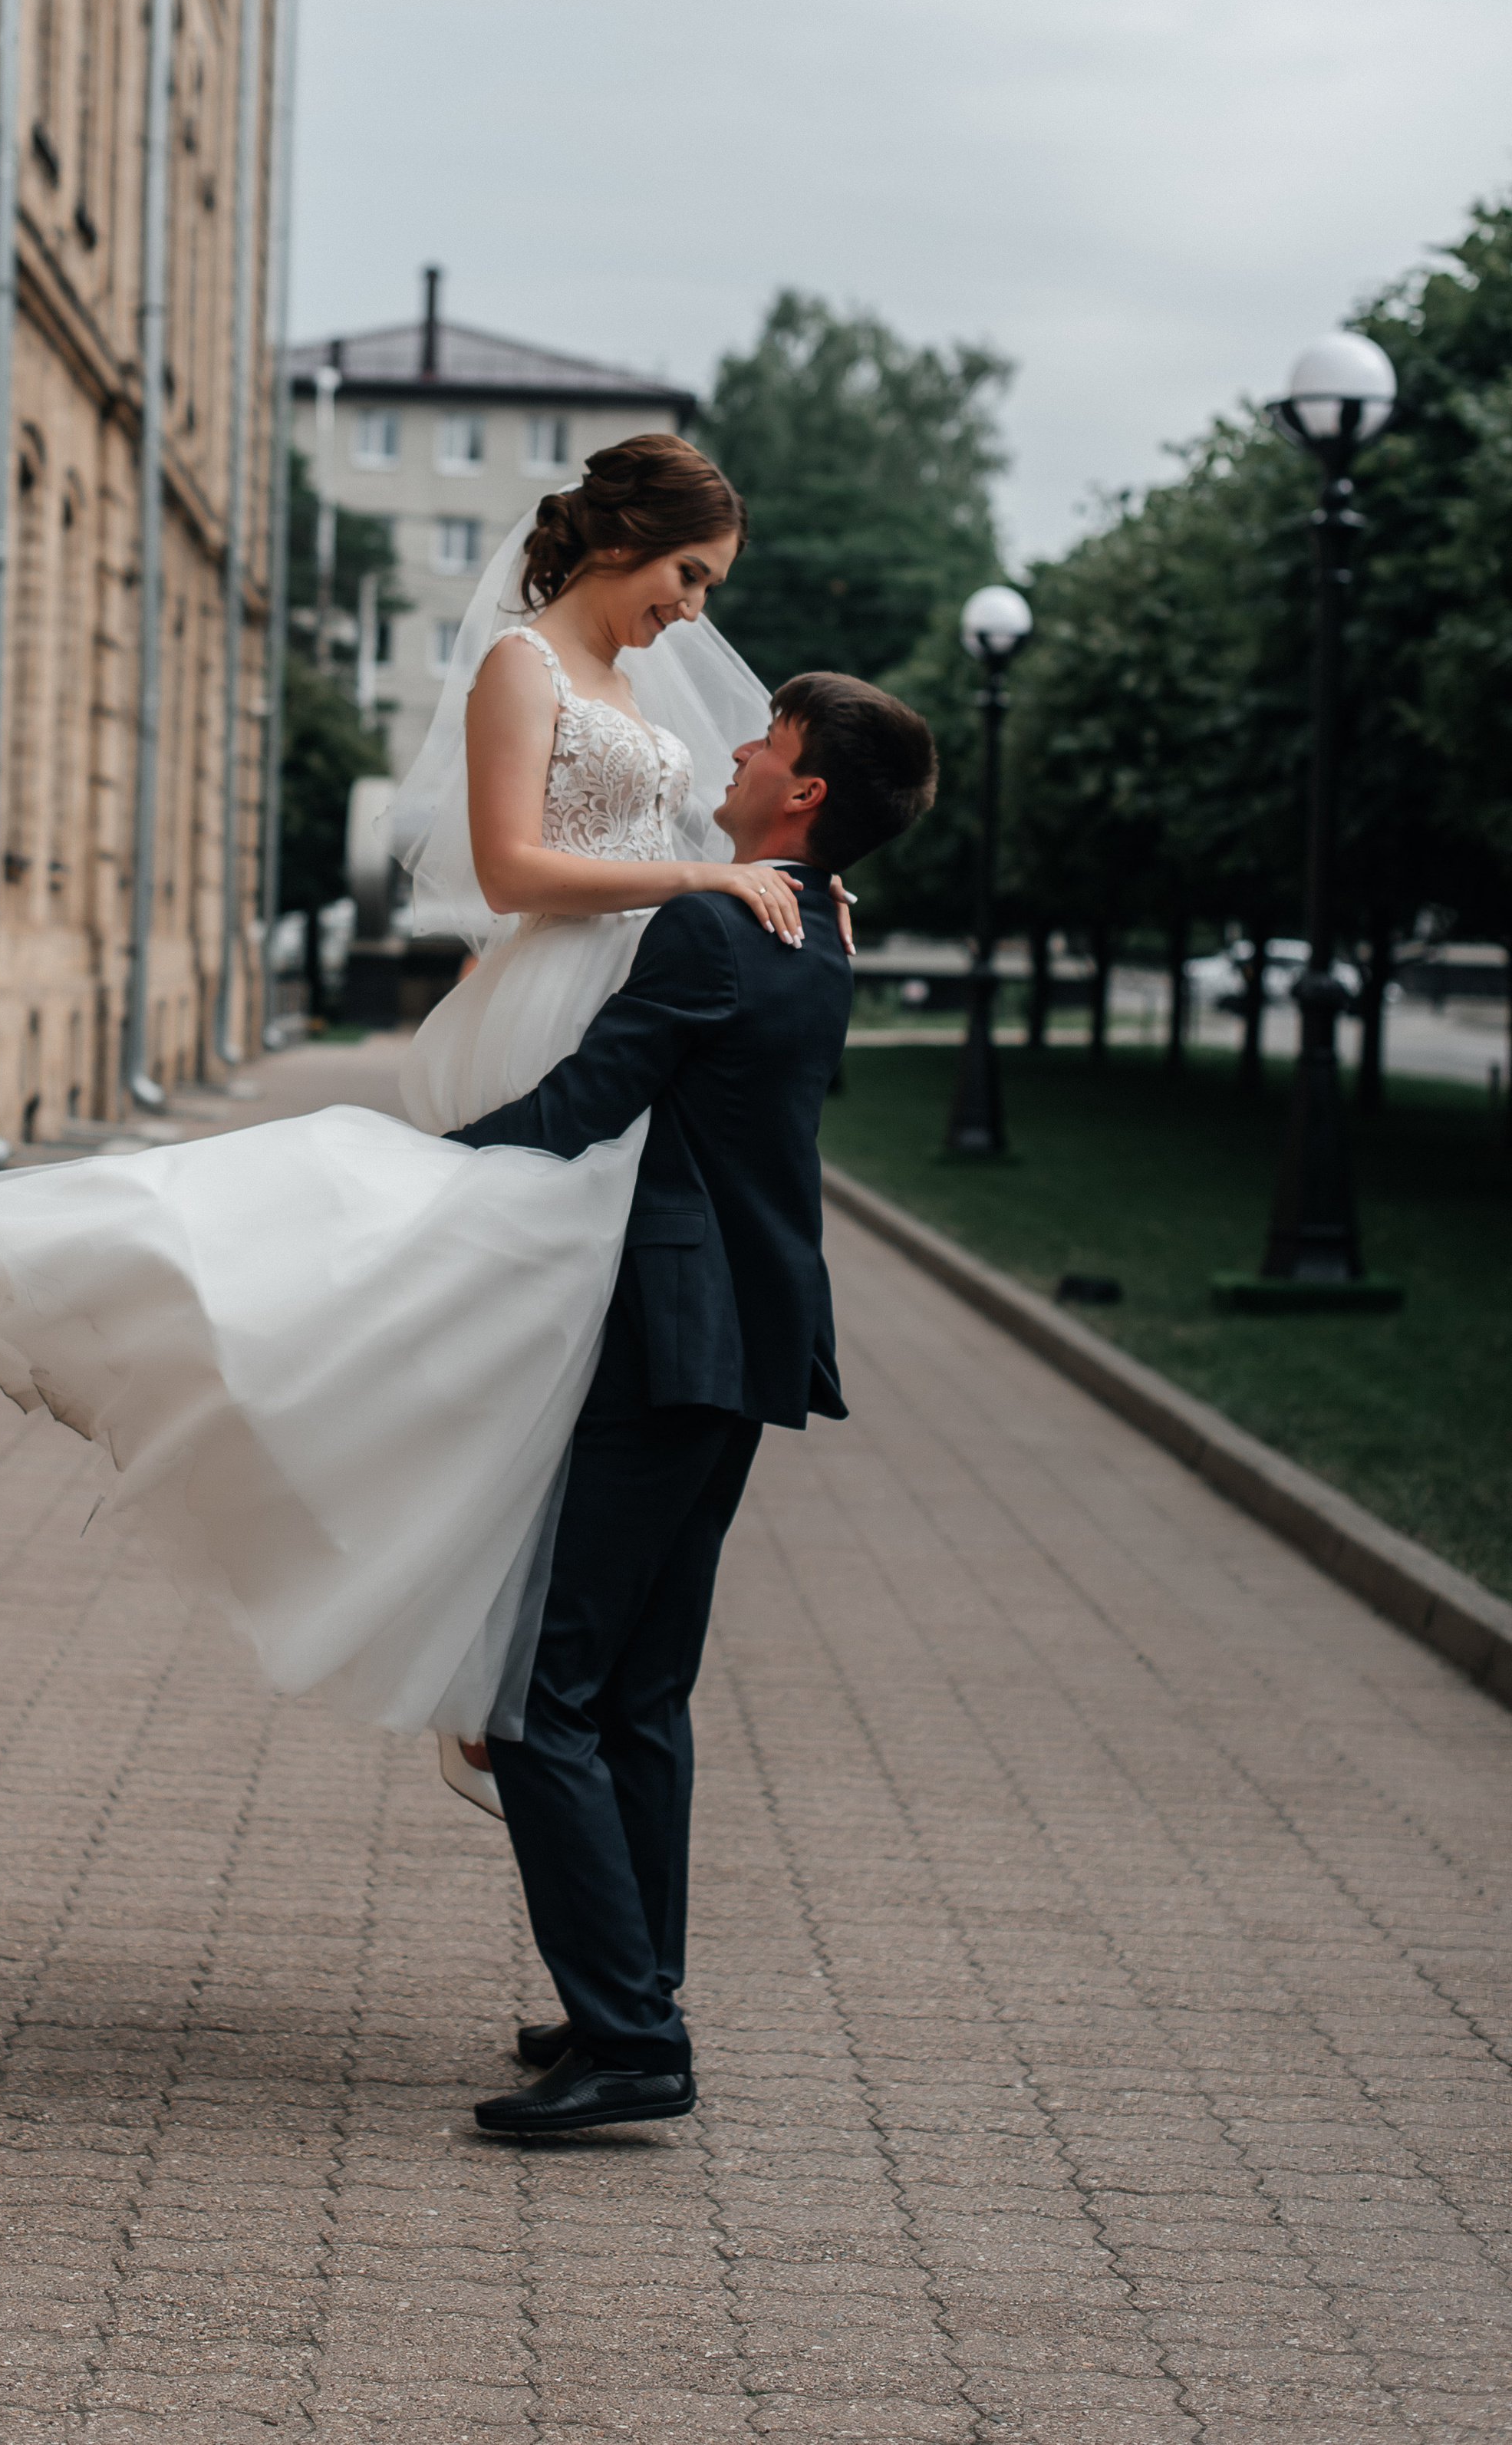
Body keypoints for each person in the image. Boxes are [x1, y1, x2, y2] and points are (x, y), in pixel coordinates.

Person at [0, 437, 815, 1750]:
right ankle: (469, 1625)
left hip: (635, 1002)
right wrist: (699, 884)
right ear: (622, 534)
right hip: (555, 1006)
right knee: (517, 1313)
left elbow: (679, 837)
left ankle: (518, 1643)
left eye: (712, 586)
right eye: (691, 572)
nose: (698, 607)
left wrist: (773, 879)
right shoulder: (524, 663)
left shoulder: (625, 674)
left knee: (582, 1342)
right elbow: (508, 873)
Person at [441, 672, 939, 2139]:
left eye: (767, 739)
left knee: (545, 1698)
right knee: (644, 1691)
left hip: (671, 1340)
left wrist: (409, 1166)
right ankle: (633, 1994)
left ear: (803, 795)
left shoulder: (725, 917)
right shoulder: (824, 917)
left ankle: (634, 2039)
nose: (734, 745)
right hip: (746, 1339)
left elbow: (586, 1102)